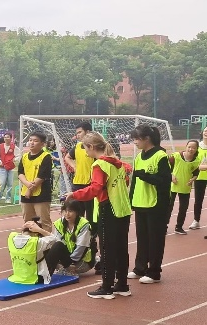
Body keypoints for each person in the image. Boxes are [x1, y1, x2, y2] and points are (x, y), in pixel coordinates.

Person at [67, 131, 132, 298]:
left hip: (109, 209)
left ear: (92, 147)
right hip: (123, 209)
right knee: (121, 248)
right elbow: (125, 180)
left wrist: (75, 194)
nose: (85, 152)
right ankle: (122, 284)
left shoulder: (99, 165)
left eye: (85, 148)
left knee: (107, 249)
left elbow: (95, 188)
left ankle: (106, 287)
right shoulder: (118, 163)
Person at [126, 125, 171, 284]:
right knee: (142, 238)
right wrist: (130, 200)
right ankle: (140, 268)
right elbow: (134, 182)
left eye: (137, 138)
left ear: (147, 139)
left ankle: (154, 272)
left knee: (155, 239)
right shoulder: (139, 157)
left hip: (155, 205)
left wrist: (146, 176)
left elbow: (164, 181)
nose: (135, 142)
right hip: (140, 203)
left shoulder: (160, 155)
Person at [41, 199, 94, 276]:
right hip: (66, 259)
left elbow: (81, 247)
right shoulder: (59, 223)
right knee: (45, 247)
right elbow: (56, 242)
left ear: (77, 212)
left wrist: (70, 263)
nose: (67, 214)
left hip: (81, 261)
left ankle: (46, 276)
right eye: (65, 211)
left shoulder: (84, 225)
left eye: (70, 211)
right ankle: (45, 272)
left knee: (58, 246)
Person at [18, 131, 52, 232]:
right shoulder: (24, 156)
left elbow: (42, 176)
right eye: (30, 140)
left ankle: (47, 240)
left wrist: (30, 189)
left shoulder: (46, 156)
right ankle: (29, 240)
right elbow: (20, 173)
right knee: (27, 221)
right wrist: (27, 184)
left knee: (44, 221)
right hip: (25, 194)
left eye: (35, 141)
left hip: (41, 194)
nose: (32, 143)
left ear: (42, 144)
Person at [64, 121, 95, 226]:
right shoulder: (77, 146)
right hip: (77, 184)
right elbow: (67, 157)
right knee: (77, 214)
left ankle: (91, 235)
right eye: (76, 133)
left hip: (90, 185)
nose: (77, 135)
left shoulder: (94, 147)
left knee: (91, 216)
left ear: (88, 132)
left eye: (80, 132)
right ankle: (77, 233)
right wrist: (74, 166)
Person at [7, 218, 57, 284]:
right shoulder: (36, 242)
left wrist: (25, 227)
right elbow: (54, 239)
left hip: (18, 276)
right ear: (36, 234)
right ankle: (67, 269)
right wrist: (40, 230)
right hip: (36, 278)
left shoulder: (11, 237)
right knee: (58, 245)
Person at [168, 140, 200, 235]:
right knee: (168, 207)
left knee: (183, 208)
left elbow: (196, 173)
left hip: (185, 187)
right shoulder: (176, 156)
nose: (191, 149)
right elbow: (166, 167)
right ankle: (164, 226)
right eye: (189, 147)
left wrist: (192, 179)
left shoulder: (196, 161)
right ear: (186, 147)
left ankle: (179, 227)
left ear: (196, 149)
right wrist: (171, 175)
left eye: (193, 148)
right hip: (173, 186)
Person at [189, 126, 207, 230]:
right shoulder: (197, 147)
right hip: (199, 177)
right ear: (202, 133)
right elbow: (194, 163)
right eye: (205, 131)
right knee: (198, 200)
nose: (206, 133)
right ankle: (196, 220)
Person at [0, 132, 20, 204]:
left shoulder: (14, 147)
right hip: (2, 167)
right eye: (5, 137)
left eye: (8, 137)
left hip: (10, 167)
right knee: (2, 183)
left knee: (10, 183)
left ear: (11, 138)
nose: (6, 138)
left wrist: (14, 160)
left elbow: (19, 155)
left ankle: (8, 198)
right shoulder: (0, 146)